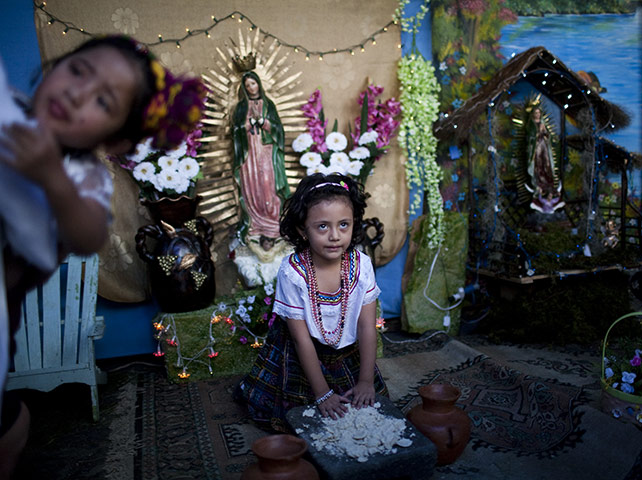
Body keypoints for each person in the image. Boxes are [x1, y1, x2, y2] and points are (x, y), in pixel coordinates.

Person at [0, 35, 205, 478]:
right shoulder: (5, 107)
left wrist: (50, 176)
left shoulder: (83, 175)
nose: (76, 94)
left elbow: (88, 233)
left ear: (114, 137)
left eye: (102, 100)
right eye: (77, 70)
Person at [233, 173, 388, 432]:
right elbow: (300, 339)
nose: (335, 236)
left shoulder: (362, 266)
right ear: (302, 231)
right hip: (300, 351)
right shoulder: (292, 272)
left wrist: (365, 381)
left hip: (345, 352)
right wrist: (322, 393)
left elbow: (366, 327)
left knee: (362, 406)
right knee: (300, 417)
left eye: (344, 225)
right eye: (322, 226)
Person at [231, 70, 290, 246]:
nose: (251, 87)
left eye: (253, 83)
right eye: (247, 85)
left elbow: (279, 129)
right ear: (244, 88)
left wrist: (265, 123)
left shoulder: (269, 105)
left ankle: (273, 222)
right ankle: (255, 224)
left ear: (259, 83)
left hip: (266, 151)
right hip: (249, 154)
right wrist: (247, 125)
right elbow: (235, 131)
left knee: (267, 185)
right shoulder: (241, 107)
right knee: (252, 187)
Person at [526, 106, 563, 213]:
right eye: (536, 113)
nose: (537, 114)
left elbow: (548, 136)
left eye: (539, 112)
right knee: (538, 166)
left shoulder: (542, 123)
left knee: (547, 165)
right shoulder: (530, 125)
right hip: (535, 149)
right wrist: (537, 134)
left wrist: (545, 133)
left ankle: (549, 184)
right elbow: (529, 137)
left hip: (544, 148)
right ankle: (539, 184)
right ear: (533, 114)